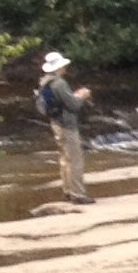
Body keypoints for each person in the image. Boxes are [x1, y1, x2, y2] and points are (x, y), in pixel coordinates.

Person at [34, 50, 92, 203]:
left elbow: (60, 101)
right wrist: (82, 96)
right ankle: (78, 194)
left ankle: (67, 191)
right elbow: (73, 105)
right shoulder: (59, 83)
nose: (65, 68)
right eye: (63, 66)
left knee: (64, 159)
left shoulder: (44, 81)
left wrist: (73, 96)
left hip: (56, 123)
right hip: (67, 125)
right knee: (75, 159)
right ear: (58, 68)